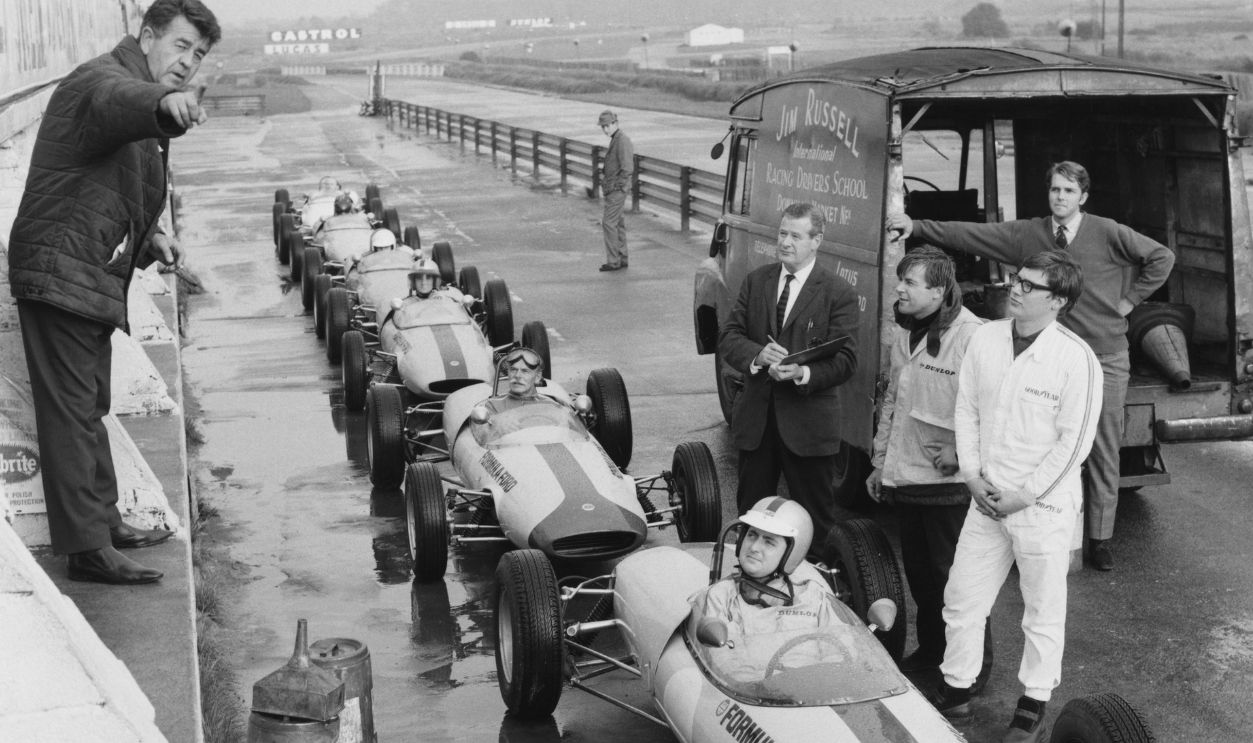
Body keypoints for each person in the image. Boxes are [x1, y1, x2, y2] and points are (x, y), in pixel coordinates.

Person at [7, 0, 220, 585]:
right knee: (71, 413)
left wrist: (151, 238)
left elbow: (108, 183)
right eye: (180, 46)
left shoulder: (131, 96)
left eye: (198, 56)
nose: (188, 63)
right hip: (62, 269)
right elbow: (115, 103)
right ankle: (86, 548)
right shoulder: (105, 82)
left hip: (85, 269)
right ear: (146, 35)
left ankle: (104, 520)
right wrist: (163, 104)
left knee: (90, 404)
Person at [886, 161, 1174, 571]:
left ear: (1083, 197)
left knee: (1102, 445)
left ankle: (1099, 538)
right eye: (1055, 190)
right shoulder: (1030, 234)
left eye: (1069, 191)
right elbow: (972, 234)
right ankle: (1027, 536)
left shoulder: (1108, 232)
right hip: (1045, 358)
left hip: (1104, 354)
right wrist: (917, 227)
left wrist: (1128, 302)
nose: (1061, 197)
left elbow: (1161, 257)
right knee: (1029, 442)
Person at [928, 251, 1102, 743]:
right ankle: (955, 689)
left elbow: (1074, 446)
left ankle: (1033, 703)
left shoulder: (1076, 359)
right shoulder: (986, 338)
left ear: (1059, 301)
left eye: (1029, 286)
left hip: (1040, 508)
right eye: (1016, 280)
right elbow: (967, 409)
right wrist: (970, 474)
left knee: (1042, 609)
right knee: (962, 598)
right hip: (985, 498)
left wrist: (1024, 497)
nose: (1015, 289)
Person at [866, 246, 991, 679]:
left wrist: (962, 450)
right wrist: (880, 464)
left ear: (939, 292)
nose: (898, 289)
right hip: (908, 478)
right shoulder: (907, 332)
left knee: (957, 583)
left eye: (910, 283)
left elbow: (997, 409)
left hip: (950, 486)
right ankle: (933, 651)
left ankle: (970, 670)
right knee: (922, 577)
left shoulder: (974, 337)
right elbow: (893, 404)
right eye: (900, 280)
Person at [718, 202, 859, 539]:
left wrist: (801, 374)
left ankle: (814, 586)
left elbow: (847, 361)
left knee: (815, 525)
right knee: (752, 519)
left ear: (817, 240)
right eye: (782, 233)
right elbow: (728, 337)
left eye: (795, 235)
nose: (785, 242)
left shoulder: (838, 293)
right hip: (757, 428)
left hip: (808, 430)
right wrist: (758, 355)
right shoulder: (757, 282)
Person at [690, 497, 838, 641]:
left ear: (791, 554)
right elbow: (720, 659)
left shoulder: (813, 597)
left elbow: (844, 646)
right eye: (752, 535)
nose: (754, 547)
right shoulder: (721, 597)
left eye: (769, 542)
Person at [597, 109, 634, 272]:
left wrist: (618, 186)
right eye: (603, 127)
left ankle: (613, 261)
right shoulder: (617, 139)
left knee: (608, 223)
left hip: (616, 190)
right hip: (615, 188)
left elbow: (627, 168)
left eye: (607, 126)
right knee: (617, 223)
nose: (605, 129)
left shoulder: (622, 140)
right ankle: (622, 257)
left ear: (615, 124)